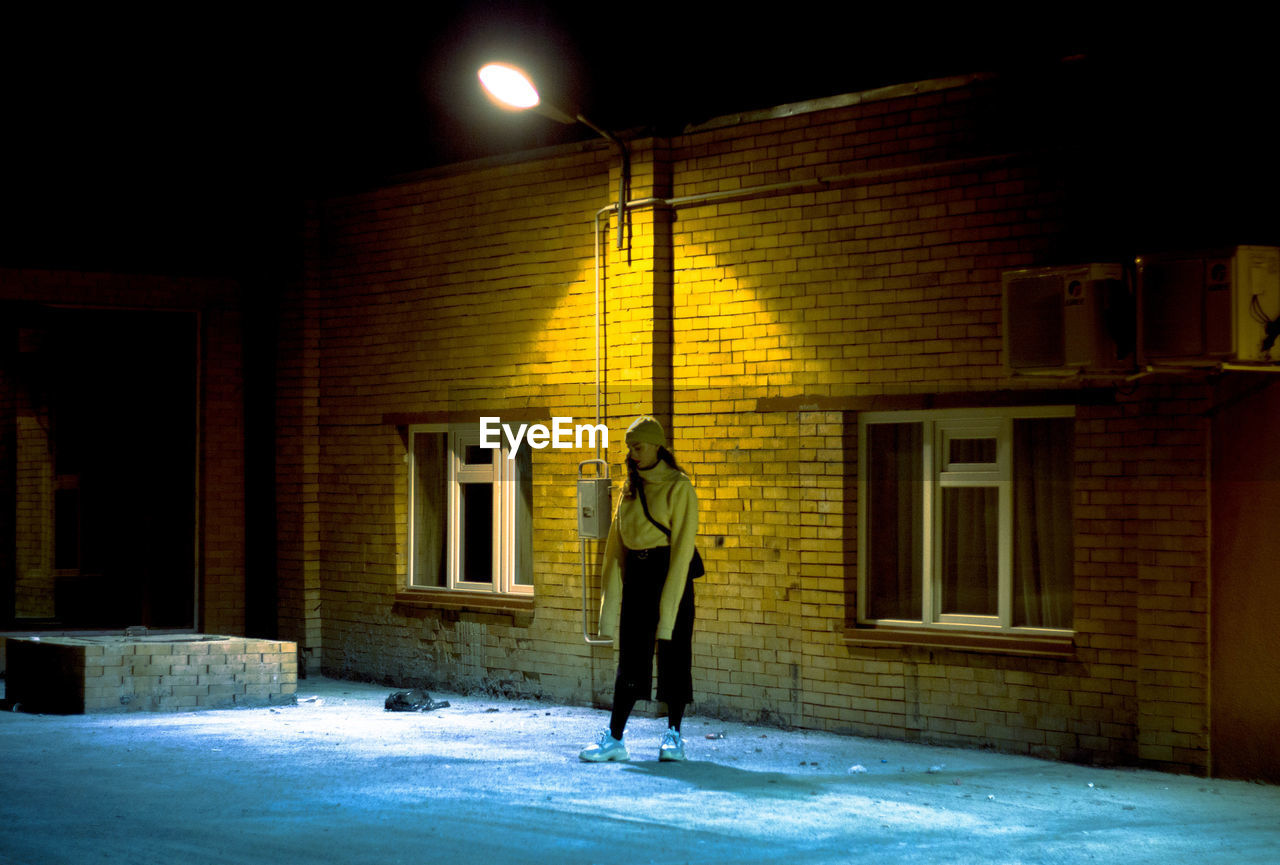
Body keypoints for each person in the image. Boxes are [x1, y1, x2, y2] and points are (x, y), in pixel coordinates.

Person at [579, 415, 699, 763]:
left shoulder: (679, 487)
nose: (633, 454)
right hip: (638, 576)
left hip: (669, 574)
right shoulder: (630, 489)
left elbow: (682, 549)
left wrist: (671, 601)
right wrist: (608, 603)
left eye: (639, 446)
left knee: (674, 655)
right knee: (631, 659)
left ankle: (674, 736)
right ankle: (615, 738)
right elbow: (615, 546)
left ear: (657, 445)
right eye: (630, 447)